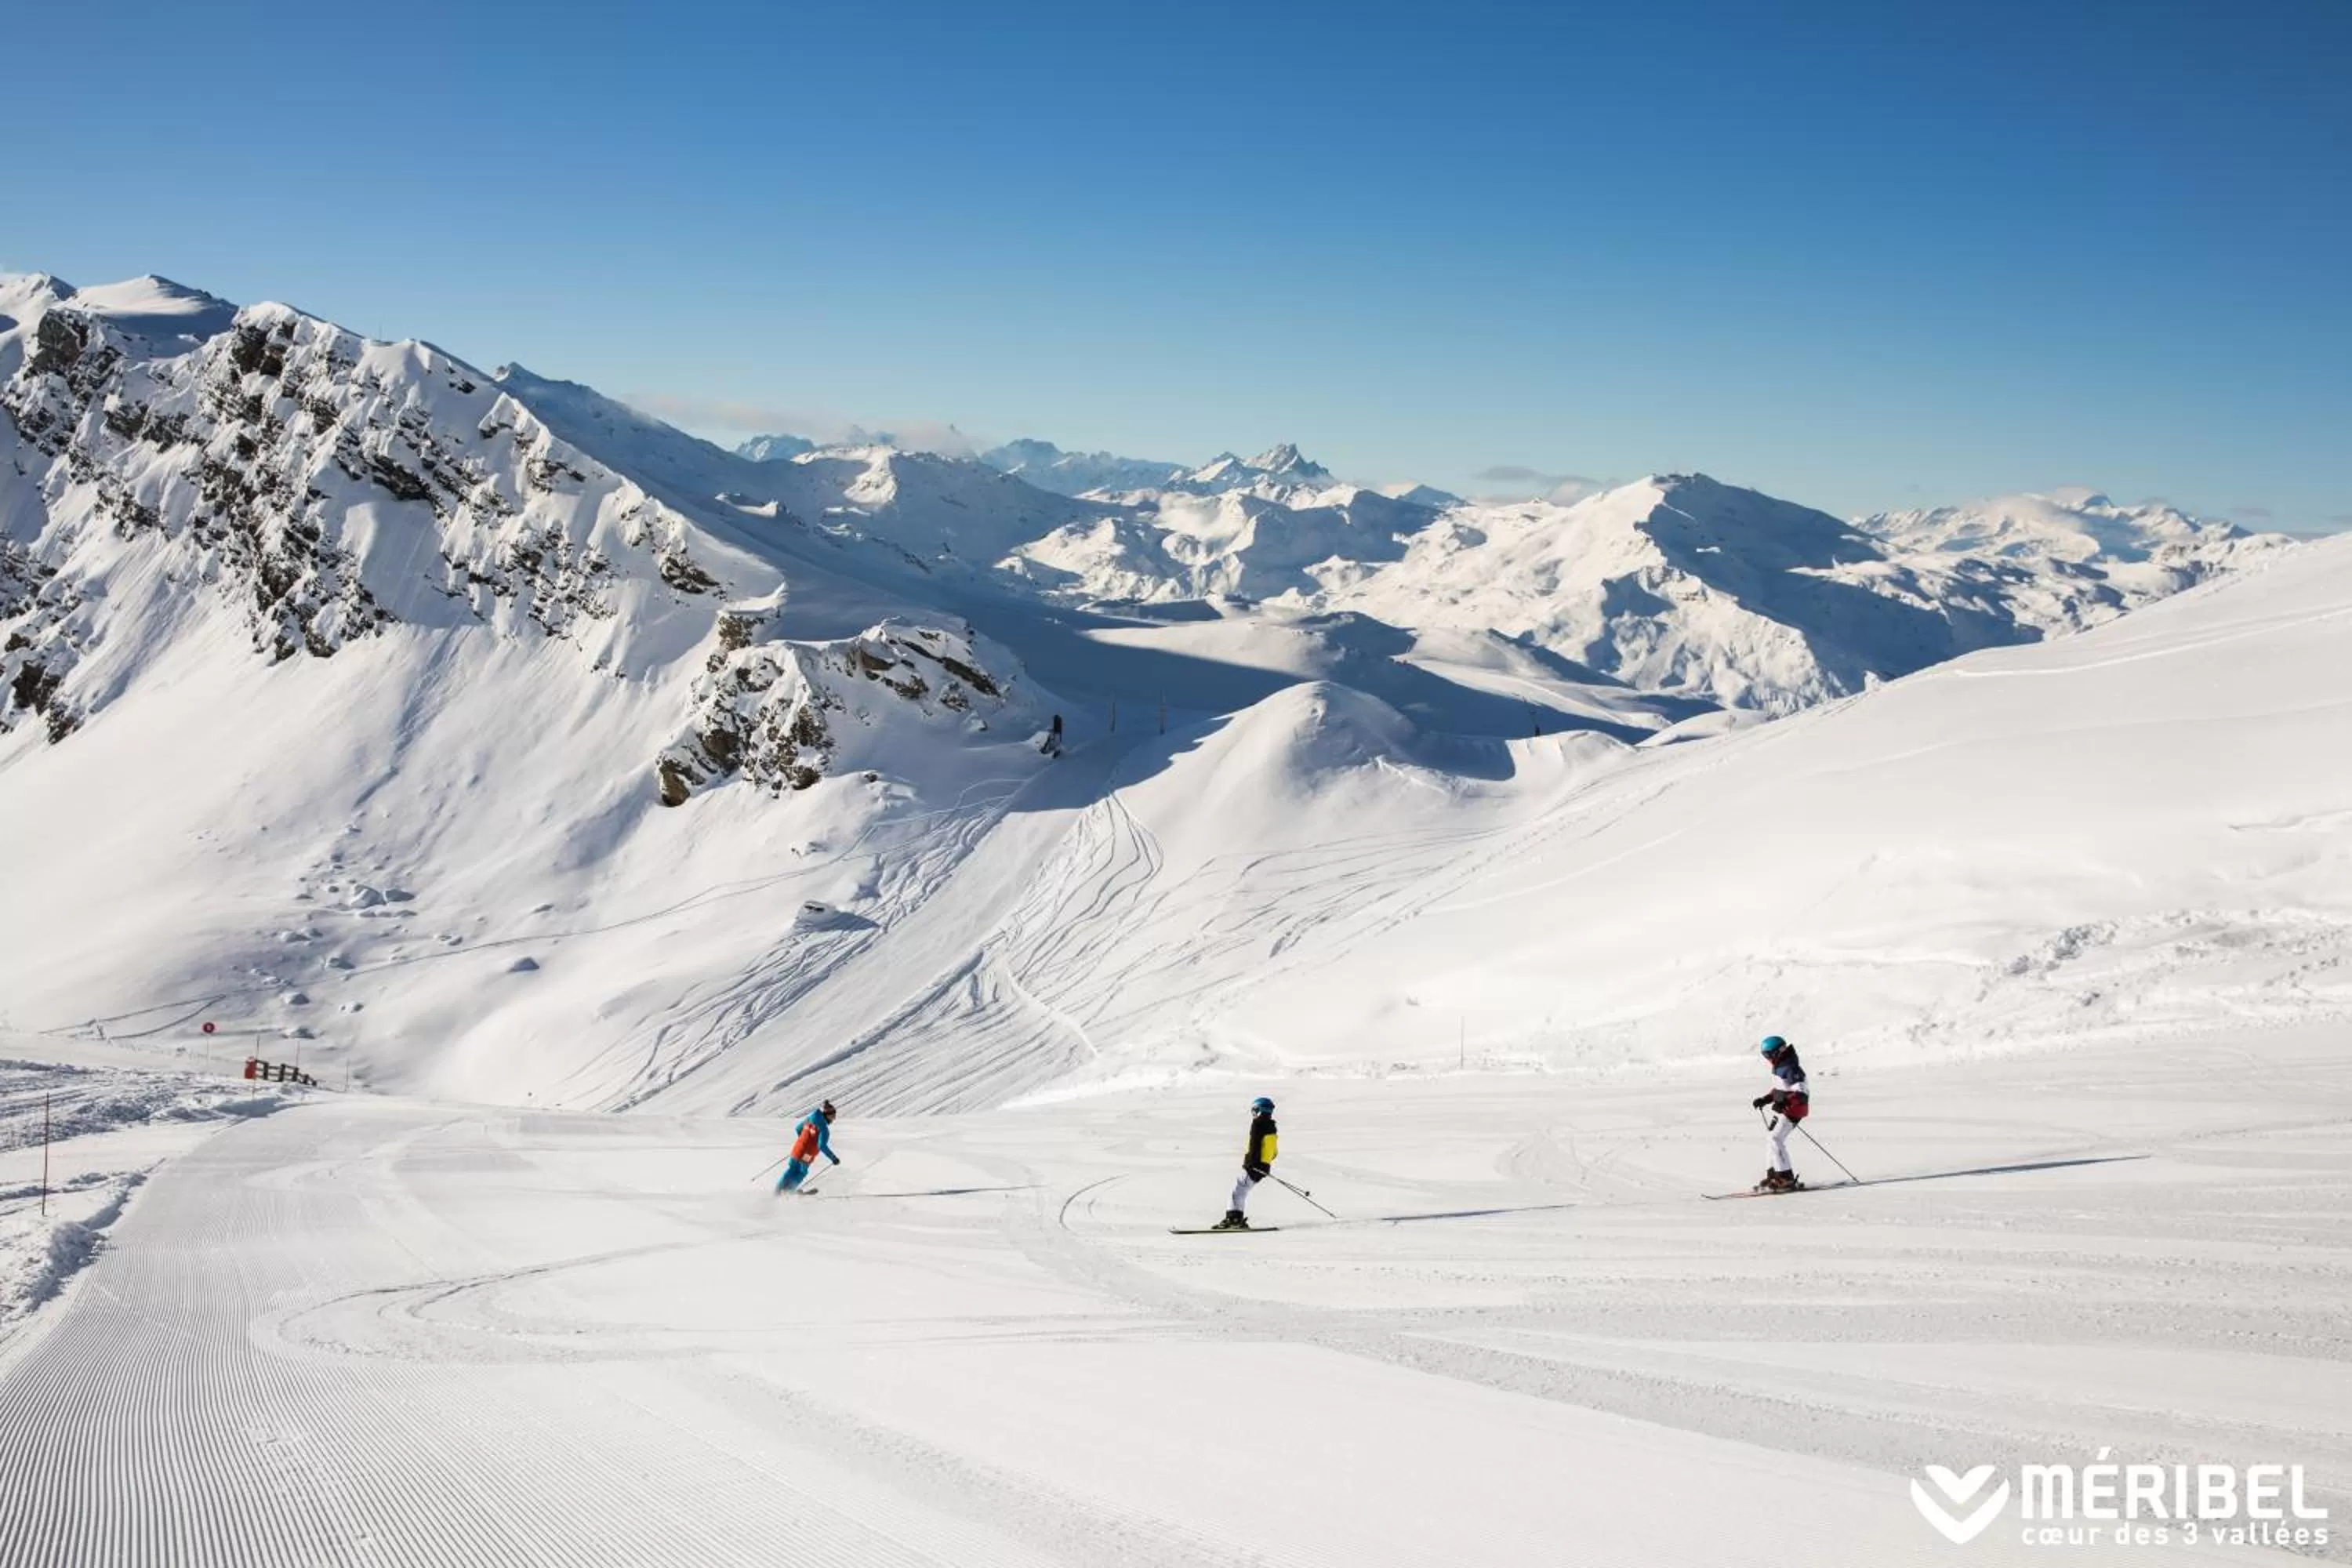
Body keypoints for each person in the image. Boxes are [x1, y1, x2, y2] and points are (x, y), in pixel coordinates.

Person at [1750, 1036, 1810, 1191]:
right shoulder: (1779, 1066)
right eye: (1765, 1055)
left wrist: (1784, 1101)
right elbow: (1780, 1089)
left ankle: (1785, 1178)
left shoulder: (1792, 1067)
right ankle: (1774, 1175)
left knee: (1775, 1138)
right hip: (1784, 1108)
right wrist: (1766, 1099)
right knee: (1771, 1138)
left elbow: (1802, 1093)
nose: (1767, 1058)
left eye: (1769, 1055)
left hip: (1795, 1109)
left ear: (1780, 1051)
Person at [1211, 1096, 1279, 1229]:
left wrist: (1251, 1163)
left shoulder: (1258, 1125)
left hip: (1254, 1166)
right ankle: (1236, 1219)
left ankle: (1233, 1220)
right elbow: (1274, 1152)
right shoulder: (1272, 1127)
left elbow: (1254, 1146)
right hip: (1263, 1168)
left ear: (1260, 1110)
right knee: (1242, 1190)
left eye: (1254, 1110)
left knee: (1238, 1190)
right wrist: (1265, 1165)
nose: (1253, 1114)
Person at [775, 1099, 840, 1194]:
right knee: (802, 1172)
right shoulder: (824, 1129)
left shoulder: (810, 1118)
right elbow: (822, 1146)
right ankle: (789, 1192)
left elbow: (798, 1129)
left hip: (797, 1149)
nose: (833, 1119)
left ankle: (777, 1190)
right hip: (807, 1154)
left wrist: (804, 1142)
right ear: (826, 1115)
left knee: (791, 1169)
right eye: (833, 1116)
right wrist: (833, 1158)